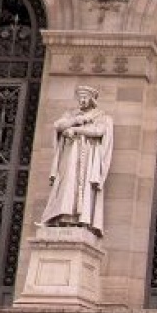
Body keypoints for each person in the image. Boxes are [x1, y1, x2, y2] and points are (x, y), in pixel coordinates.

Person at [40, 85, 114, 236]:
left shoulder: (101, 116)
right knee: (67, 184)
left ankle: (82, 219)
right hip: (70, 155)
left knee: (84, 187)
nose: (82, 101)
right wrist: (75, 121)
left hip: (88, 158)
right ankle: (63, 216)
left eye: (85, 98)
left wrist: (76, 130)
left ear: (92, 100)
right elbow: (58, 125)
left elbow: (98, 131)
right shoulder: (70, 114)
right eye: (80, 98)